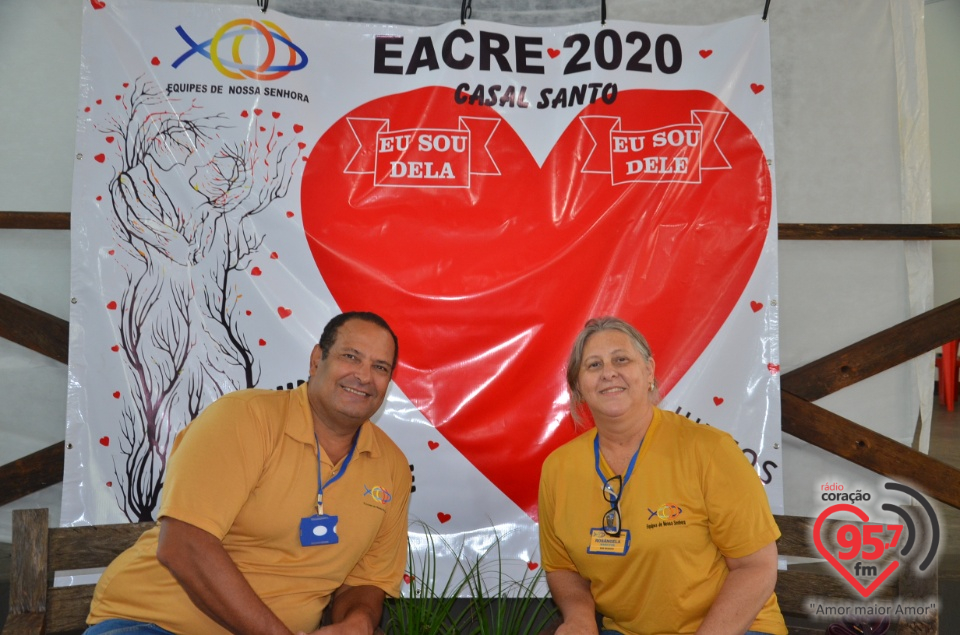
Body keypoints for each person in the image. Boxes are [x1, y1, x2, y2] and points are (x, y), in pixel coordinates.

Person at [86, 311, 412, 635]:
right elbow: (183, 546)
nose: (364, 376)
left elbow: (365, 581)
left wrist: (358, 621)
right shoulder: (245, 418)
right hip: (155, 624)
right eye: (351, 357)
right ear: (316, 360)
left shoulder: (392, 467)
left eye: (380, 367)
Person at [538, 317, 787, 635]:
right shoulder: (558, 468)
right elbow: (562, 568)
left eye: (621, 359)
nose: (609, 372)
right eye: (593, 365)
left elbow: (756, 567)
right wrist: (579, 618)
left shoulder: (710, 450)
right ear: (578, 387)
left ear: (649, 371)